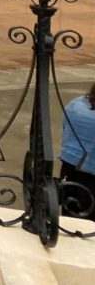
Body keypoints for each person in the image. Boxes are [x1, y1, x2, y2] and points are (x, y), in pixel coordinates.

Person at [59, 82, 95, 218]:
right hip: (90, 176)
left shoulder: (76, 104)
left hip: (70, 169)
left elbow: (65, 130)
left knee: (71, 216)